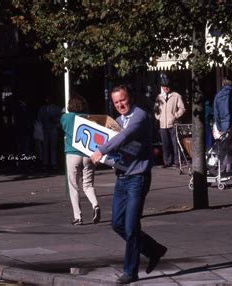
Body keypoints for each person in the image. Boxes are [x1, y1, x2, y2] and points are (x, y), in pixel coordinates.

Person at [90, 84, 167, 284]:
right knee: (117, 224)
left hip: (138, 178)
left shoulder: (140, 116)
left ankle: (130, 271)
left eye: (122, 100)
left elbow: (124, 137)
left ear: (130, 97)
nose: (120, 105)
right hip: (122, 178)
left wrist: (101, 150)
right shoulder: (117, 121)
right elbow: (118, 145)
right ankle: (154, 249)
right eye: (116, 102)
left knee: (132, 226)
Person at [60, 94, 100, 226]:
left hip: (72, 154)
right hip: (88, 154)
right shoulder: (89, 118)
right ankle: (95, 205)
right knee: (88, 184)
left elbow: (63, 126)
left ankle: (78, 217)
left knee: (73, 186)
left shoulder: (66, 118)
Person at [154, 74, 185, 168]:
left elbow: (182, 108)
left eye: (167, 86)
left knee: (175, 143)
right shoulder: (159, 97)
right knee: (165, 144)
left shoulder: (176, 96)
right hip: (163, 124)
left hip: (173, 124)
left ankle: (176, 161)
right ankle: (167, 161)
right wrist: (159, 117)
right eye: (164, 86)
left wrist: (176, 115)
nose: (166, 88)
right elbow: (156, 109)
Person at [37, 95, 62, 172]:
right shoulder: (42, 108)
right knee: (45, 147)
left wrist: (56, 124)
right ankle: (45, 163)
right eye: (46, 99)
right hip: (44, 129)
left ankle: (53, 163)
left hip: (53, 129)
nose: (47, 100)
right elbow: (39, 118)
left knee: (53, 147)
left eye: (49, 99)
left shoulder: (56, 108)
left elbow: (60, 118)